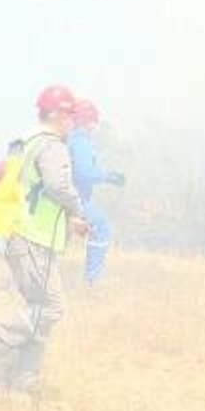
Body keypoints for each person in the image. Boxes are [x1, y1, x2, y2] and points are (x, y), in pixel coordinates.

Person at [0, 84, 88, 394]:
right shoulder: (52, 145)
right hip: (32, 238)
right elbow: (58, 185)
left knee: (39, 308)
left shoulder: (25, 141)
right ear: (58, 114)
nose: (73, 122)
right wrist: (78, 210)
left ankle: (26, 380)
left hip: (17, 235)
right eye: (70, 115)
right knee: (51, 308)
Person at [68, 99, 125, 283]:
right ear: (87, 121)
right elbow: (84, 173)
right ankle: (93, 279)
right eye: (93, 121)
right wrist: (109, 177)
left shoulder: (70, 137)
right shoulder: (80, 140)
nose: (95, 126)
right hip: (77, 200)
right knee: (101, 227)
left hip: (72, 197)